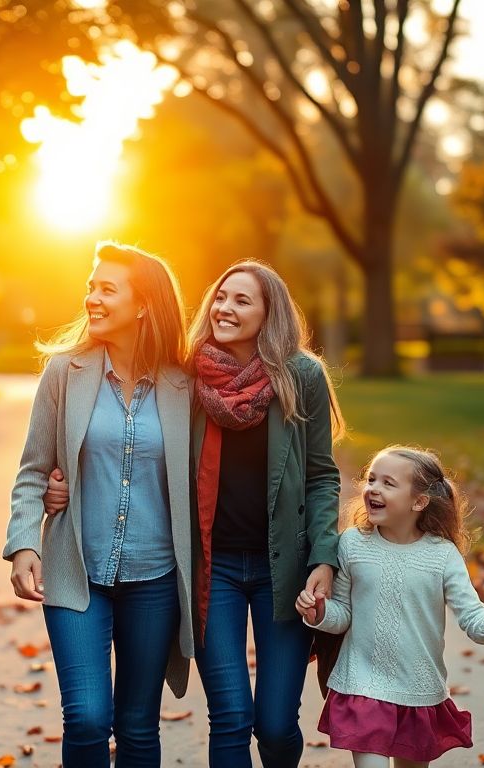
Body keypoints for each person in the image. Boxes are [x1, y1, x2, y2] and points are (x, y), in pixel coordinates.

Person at [45, 260, 346, 767]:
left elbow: (322, 475)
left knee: (276, 725)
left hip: (284, 570)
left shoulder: (301, 377)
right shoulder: (191, 373)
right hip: (213, 569)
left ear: (269, 314)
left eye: (242, 301)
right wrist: (64, 485)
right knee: (230, 715)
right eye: (221, 297)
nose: (225, 308)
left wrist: (323, 557)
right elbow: (139, 450)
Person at [2, 241, 194, 768]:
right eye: (91, 287)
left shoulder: (183, 385)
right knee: (86, 717)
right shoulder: (65, 373)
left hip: (155, 579)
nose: (92, 298)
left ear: (144, 304)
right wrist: (23, 543)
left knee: (138, 725)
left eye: (108, 289)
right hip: (75, 571)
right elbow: (33, 470)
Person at [297, 446, 484, 768]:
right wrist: (319, 612)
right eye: (371, 479)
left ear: (419, 502)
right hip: (362, 685)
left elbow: (472, 616)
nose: (373, 488)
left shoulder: (442, 555)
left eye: (388, 483)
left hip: (418, 690)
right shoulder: (352, 544)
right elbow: (343, 614)